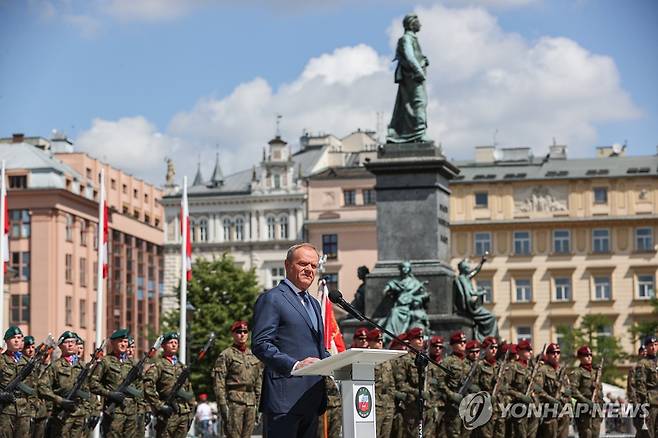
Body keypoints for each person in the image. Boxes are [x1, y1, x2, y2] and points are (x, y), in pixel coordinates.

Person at [251, 243, 331, 438]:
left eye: (313, 266)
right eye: (303, 264)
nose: (309, 270)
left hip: (312, 398)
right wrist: (294, 365)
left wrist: (338, 362)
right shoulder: (273, 298)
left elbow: (317, 347)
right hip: (284, 399)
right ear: (287, 265)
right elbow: (261, 344)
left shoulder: (312, 303)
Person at [212, 320, 262, 438]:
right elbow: (219, 383)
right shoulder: (226, 355)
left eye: (245, 331)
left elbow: (258, 382)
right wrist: (223, 406)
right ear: (233, 334)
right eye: (239, 332)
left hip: (251, 402)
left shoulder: (254, 356)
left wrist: (259, 406)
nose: (242, 334)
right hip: (234, 402)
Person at [387, 13, 430, 144]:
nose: (420, 24)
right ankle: (419, 133)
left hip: (413, 76)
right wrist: (419, 71)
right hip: (413, 76)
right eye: (418, 22)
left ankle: (414, 132)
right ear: (412, 24)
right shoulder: (407, 38)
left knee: (411, 104)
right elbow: (410, 56)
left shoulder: (411, 38)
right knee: (419, 102)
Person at [143, 332, 196, 438]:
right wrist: (159, 406)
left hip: (183, 413)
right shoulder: (159, 365)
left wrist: (191, 411)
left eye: (176, 343)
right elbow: (147, 387)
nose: (174, 345)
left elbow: (188, 390)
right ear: (163, 346)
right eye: (170, 342)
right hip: (168, 413)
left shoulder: (182, 366)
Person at [90, 328, 140, 438]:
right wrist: (110, 394)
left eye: (125, 341)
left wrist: (141, 408)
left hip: (131, 413)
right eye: (120, 341)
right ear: (112, 343)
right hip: (114, 412)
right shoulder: (105, 362)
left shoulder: (133, 364)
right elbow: (93, 384)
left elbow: (140, 387)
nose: (123, 344)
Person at [38, 331, 90, 436]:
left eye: (73, 342)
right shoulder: (55, 366)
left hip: (80, 415)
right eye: (67, 342)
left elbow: (89, 390)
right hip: (61, 415)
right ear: (61, 346)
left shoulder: (83, 367)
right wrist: (59, 400)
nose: (70, 345)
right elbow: (42, 387)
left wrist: (89, 410)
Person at [381, 261, 430, 343]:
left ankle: (394, 336)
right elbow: (385, 291)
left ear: (410, 269)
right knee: (394, 311)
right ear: (400, 269)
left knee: (395, 311)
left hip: (409, 308)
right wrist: (388, 291)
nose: (405, 269)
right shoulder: (395, 282)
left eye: (407, 267)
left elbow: (424, 295)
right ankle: (391, 335)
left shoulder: (414, 283)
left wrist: (415, 298)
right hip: (399, 306)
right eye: (403, 267)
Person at [453, 255, 499, 340]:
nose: (469, 269)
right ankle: (485, 339)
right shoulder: (461, 279)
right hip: (471, 307)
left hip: (472, 305)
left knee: (491, 317)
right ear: (464, 269)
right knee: (491, 317)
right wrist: (478, 294)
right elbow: (467, 296)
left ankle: (486, 338)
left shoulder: (466, 278)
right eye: (467, 267)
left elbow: (475, 271)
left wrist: (481, 262)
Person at [436, 331, 471, 438]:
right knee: (454, 433)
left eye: (464, 341)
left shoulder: (468, 362)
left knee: (466, 433)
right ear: (452, 345)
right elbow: (440, 382)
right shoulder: (447, 362)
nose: (463, 344)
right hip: (452, 405)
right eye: (459, 342)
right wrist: (451, 395)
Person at [0, 326, 31, 437]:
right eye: (13, 338)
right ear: (6, 340)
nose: (17, 340)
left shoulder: (28, 362)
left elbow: (34, 387)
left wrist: (32, 410)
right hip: (5, 411)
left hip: (24, 411)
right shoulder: (1, 360)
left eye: (19, 337)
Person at [569, 345, 604, 438]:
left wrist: (601, 404)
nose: (589, 357)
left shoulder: (595, 373)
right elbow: (573, 390)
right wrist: (586, 401)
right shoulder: (577, 372)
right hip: (584, 411)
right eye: (586, 355)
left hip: (596, 410)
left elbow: (600, 390)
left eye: (590, 355)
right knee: (586, 435)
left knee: (595, 434)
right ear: (580, 358)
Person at [368, 328, 396, 438]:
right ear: (369, 342)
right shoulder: (366, 358)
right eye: (376, 340)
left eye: (381, 340)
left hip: (388, 405)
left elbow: (392, 383)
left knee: (386, 434)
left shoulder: (386, 359)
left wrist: (391, 400)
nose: (380, 342)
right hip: (374, 404)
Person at [504, 339, 534, 438]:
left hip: (531, 407)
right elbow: (505, 387)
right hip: (518, 406)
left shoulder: (530, 368)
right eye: (527, 350)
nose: (530, 352)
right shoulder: (513, 367)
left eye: (530, 350)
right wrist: (520, 396)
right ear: (520, 351)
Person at [635, 335, 658, 438]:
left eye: (655, 345)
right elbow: (641, 384)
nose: (653, 347)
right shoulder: (643, 364)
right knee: (650, 432)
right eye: (651, 345)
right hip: (651, 402)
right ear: (646, 347)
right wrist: (645, 401)